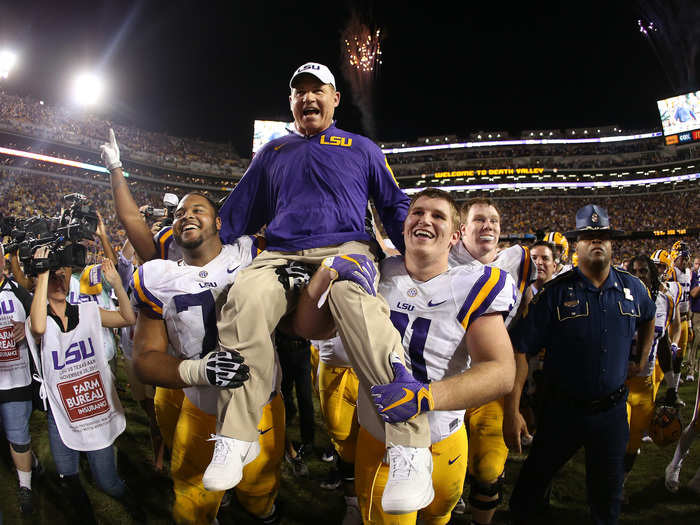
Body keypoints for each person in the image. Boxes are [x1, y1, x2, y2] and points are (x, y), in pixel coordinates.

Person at [210, 62, 431, 514]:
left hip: (346, 246)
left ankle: (410, 447)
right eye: (299, 93)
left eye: (318, 91)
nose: (308, 99)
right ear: (291, 103)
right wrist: (190, 242)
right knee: (244, 299)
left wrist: (418, 253)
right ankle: (236, 435)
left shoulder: (363, 147)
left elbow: (393, 204)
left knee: (357, 303)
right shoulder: (272, 152)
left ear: (335, 99)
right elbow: (237, 213)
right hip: (282, 251)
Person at [354, 189, 516, 523]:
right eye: (418, 212)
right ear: (404, 225)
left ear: (455, 236)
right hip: (383, 439)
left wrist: (425, 396)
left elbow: (500, 371)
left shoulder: (475, 282)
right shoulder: (376, 273)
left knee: (438, 517)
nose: (425, 219)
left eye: (438, 215)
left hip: (444, 436)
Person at [131, 193, 283, 524]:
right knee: (193, 500)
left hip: (261, 404)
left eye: (198, 209)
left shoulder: (250, 252)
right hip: (202, 407)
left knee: (259, 492)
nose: (187, 215)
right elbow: (143, 360)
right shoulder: (159, 277)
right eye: (180, 212)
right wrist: (201, 369)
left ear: (218, 222)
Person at [507, 204, 656, 525]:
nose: (596, 241)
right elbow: (521, 349)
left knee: (606, 503)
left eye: (602, 235)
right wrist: (513, 408)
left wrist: (642, 358)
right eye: (588, 237)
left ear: (612, 242)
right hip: (563, 411)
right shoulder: (555, 294)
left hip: (613, 413)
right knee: (527, 495)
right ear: (577, 245)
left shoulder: (633, 288)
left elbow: (649, 315)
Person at [26, 247, 139, 524]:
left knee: (107, 482)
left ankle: (135, 507)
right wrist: (42, 275)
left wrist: (117, 286)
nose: (59, 281)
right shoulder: (37, 320)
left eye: (62, 275)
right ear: (41, 283)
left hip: (95, 410)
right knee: (69, 479)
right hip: (62, 414)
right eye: (53, 277)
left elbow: (128, 318)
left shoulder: (87, 310)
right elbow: (39, 328)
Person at [447, 198, 536, 524]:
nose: (488, 226)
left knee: (487, 468)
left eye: (494, 221)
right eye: (480, 220)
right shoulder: (440, 261)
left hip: (488, 384)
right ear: (462, 229)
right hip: (446, 382)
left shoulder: (518, 263)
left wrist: (515, 407)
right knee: (438, 476)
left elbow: (519, 344)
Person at [623, 255, 677, 495]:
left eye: (643, 271)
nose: (638, 275)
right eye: (633, 271)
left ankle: (619, 485)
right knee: (617, 439)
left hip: (644, 384)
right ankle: (608, 486)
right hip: (619, 382)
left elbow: (663, 344)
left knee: (633, 444)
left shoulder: (665, 301)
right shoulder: (618, 299)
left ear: (651, 274)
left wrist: (672, 386)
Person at [0, 243, 37, 514]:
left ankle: (26, 486)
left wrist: (27, 326)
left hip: (16, 380)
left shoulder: (17, 291)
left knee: (18, 436)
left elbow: (42, 318)